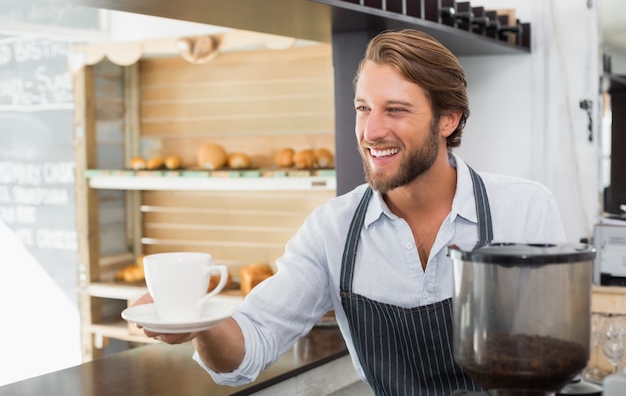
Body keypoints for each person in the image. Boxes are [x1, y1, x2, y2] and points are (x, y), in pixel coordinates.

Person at [134, 28, 566, 395]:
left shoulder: (524, 209)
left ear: (447, 119)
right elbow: (249, 348)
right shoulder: (332, 230)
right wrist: (199, 322)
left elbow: (551, 355)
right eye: (363, 108)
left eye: (396, 110)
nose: (371, 131)